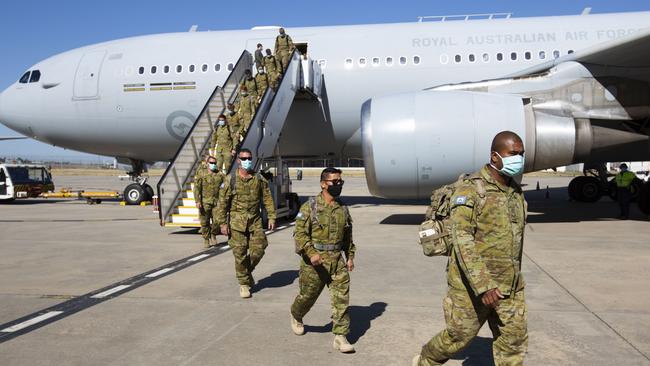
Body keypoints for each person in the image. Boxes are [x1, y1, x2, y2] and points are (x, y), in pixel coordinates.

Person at [413, 131, 528, 366]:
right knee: (458, 338)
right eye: (513, 154)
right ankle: (426, 359)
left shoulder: (515, 191)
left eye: (521, 154)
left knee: (514, 342)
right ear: (495, 156)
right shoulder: (470, 190)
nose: (519, 158)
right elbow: (462, 240)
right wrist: (484, 286)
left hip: (510, 285)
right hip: (471, 286)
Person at [290, 167, 356, 353]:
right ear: (323, 184)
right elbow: (300, 234)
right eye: (334, 182)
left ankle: (341, 336)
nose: (338, 185)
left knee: (341, 299)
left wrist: (350, 256)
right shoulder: (310, 207)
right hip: (315, 264)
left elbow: (348, 236)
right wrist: (311, 253)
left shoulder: (342, 208)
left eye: (340, 182)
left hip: (337, 262)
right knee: (307, 297)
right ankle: (296, 314)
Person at [218, 148, 276, 298]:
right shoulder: (230, 179)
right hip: (236, 223)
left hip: (254, 221)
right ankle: (244, 284)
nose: (247, 161)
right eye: (244, 158)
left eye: (249, 158)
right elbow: (222, 203)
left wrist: (272, 217)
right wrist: (222, 223)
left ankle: (245, 272)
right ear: (238, 160)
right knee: (240, 255)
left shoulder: (259, 178)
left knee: (259, 248)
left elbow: (268, 198)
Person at [193, 156, 226, 248]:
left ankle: (213, 234)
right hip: (205, 202)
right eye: (211, 163)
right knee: (204, 222)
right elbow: (196, 188)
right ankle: (206, 239)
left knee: (217, 221)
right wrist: (197, 201)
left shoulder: (220, 174)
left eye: (214, 163)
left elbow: (226, 185)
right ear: (207, 163)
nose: (213, 165)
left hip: (216, 202)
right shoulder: (201, 174)